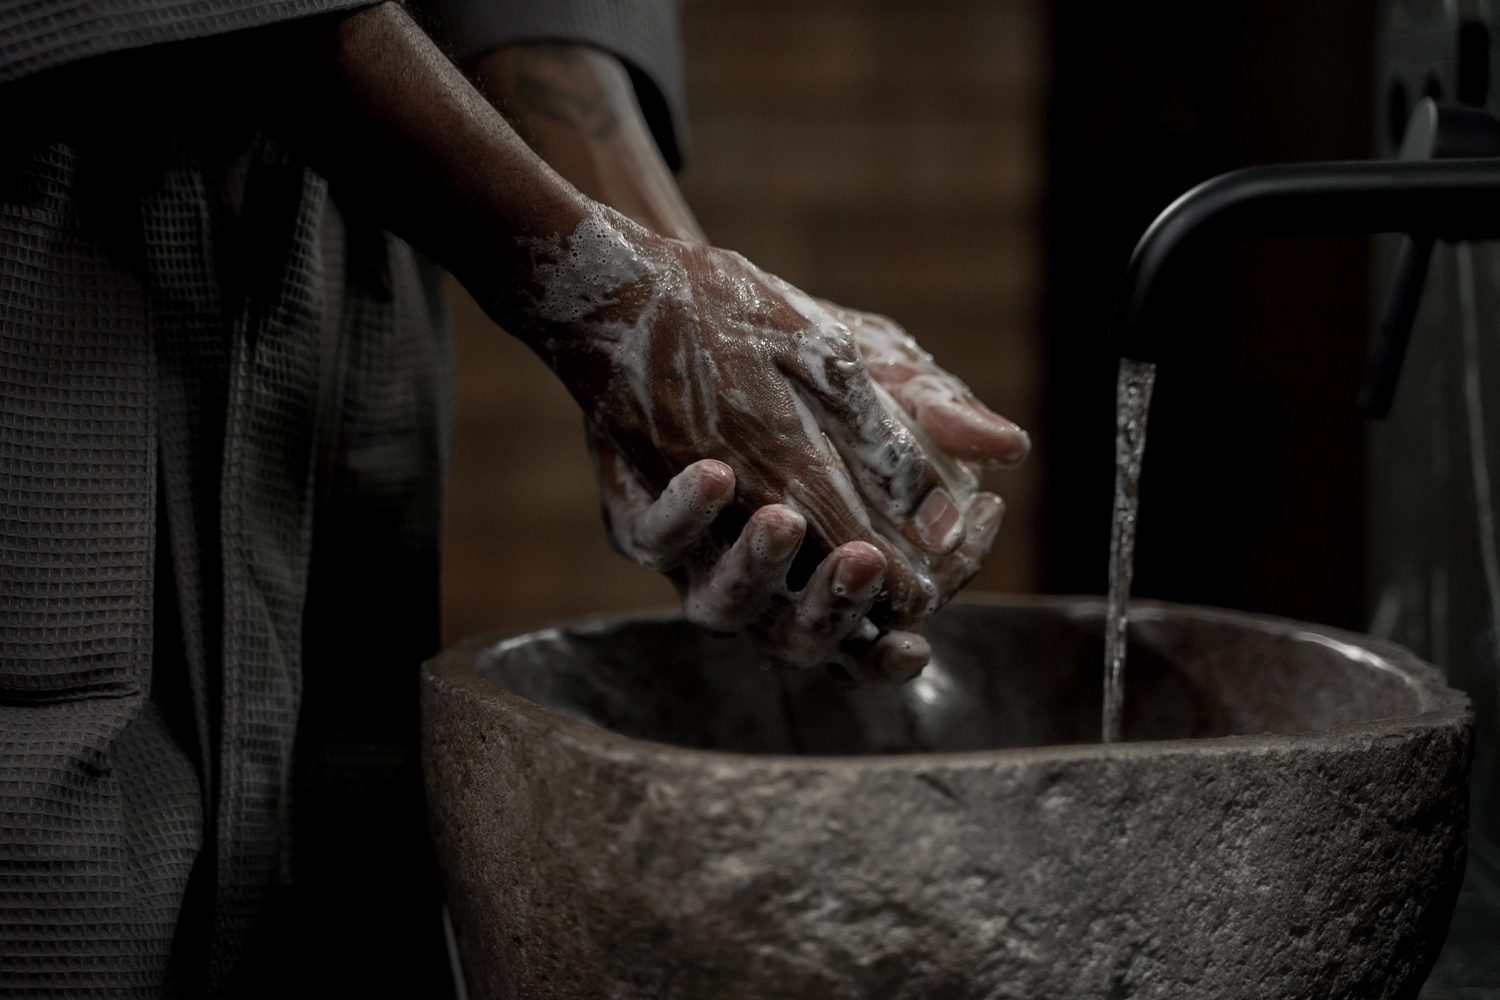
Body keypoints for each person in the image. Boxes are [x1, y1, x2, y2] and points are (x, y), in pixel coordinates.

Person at [0, 0, 1028, 994]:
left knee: (329, 872)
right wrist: (605, 300)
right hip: (61, 220)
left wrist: (672, 311)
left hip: (339, 257)